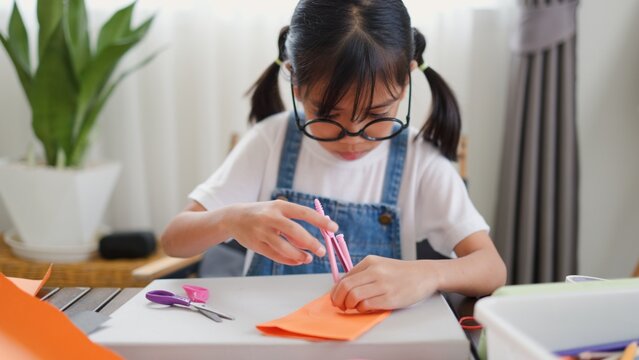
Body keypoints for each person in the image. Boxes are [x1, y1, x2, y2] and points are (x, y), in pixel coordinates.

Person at [161, 0, 506, 312]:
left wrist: (427, 274)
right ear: (296, 83)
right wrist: (230, 219)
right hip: (270, 337)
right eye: (328, 116)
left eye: (375, 115)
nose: (353, 137)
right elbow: (175, 239)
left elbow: (491, 268)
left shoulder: (420, 159)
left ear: (405, 83)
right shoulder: (271, 141)